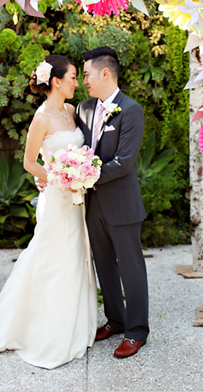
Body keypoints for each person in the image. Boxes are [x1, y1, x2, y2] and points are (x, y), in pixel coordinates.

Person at [0, 54, 97, 370]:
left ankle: (76, 325)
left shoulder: (72, 111)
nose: (77, 82)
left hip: (76, 200)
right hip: (56, 201)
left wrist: (80, 173)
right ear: (56, 81)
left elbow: (80, 151)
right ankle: (41, 332)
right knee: (50, 260)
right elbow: (30, 163)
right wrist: (61, 177)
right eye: (73, 76)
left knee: (75, 259)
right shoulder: (42, 117)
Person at [76, 46, 149, 359]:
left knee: (131, 269)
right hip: (93, 206)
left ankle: (136, 331)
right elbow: (75, 150)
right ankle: (116, 321)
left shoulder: (131, 110)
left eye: (88, 74)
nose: (84, 81)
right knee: (104, 266)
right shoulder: (83, 109)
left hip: (122, 204)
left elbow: (124, 163)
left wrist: (82, 176)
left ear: (105, 73)